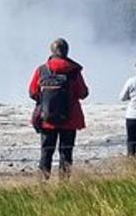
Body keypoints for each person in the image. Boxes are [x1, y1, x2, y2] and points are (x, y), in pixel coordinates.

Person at [28, 37, 90, 178]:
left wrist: (46, 101)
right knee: (66, 152)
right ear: (66, 51)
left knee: (46, 152)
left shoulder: (42, 70)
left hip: (47, 119)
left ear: (52, 51)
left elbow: (32, 92)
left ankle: (43, 182)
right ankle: (64, 184)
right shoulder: (74, 71)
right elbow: (83, 93)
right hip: (70, 119)